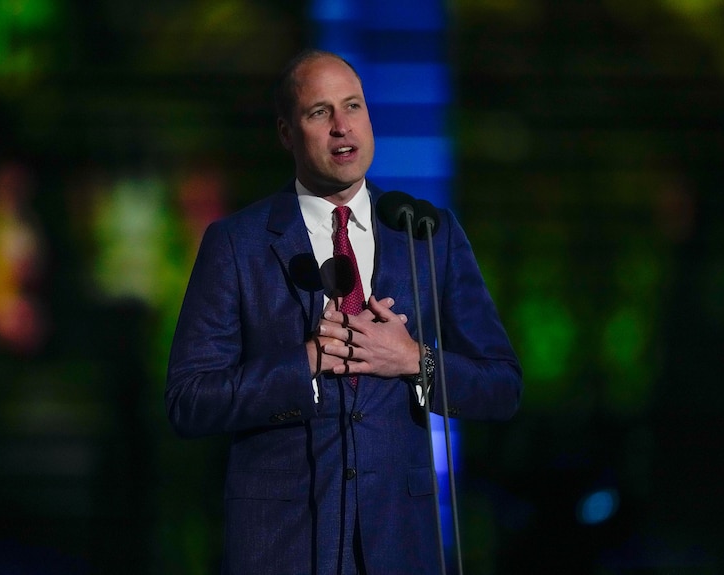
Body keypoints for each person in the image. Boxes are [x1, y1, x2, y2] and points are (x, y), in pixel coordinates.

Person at [165, 48, 522, 575]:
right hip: (280, 548)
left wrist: (411, 359)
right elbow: (189, 401)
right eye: (319, 112)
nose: (341, 127)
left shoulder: (427, 234)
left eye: (353, 106)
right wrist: (306, 361)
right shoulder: (236, 244)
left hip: (399, 546)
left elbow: (502, 386)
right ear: (287, 133)